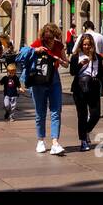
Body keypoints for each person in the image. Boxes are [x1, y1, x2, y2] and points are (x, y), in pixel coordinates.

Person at [18, 23, 68, 155]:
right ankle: (40, 140)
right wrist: (35, 50)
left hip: (54, 79)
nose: (49, 41)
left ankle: (55, 142)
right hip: (38, 79)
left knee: (56, 111)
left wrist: (60, 60)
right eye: (46, 38)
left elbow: (66, 63)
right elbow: (21, 56)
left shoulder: (59, 46)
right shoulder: (38, 43)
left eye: (51, 38)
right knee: (40, 112)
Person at [68, 32, 103, 152]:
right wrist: (80, 65)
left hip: (93, 87)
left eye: (88, 45)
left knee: (95, 114)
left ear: (92, 44)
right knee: (82, 115)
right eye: (84, 45)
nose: (86, 47)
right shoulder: (76, 56)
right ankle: (83, 141)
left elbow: (102, 74)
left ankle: (86, 130)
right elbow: (72, 72)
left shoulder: (98, 57)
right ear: (81, 45)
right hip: (79, 88)